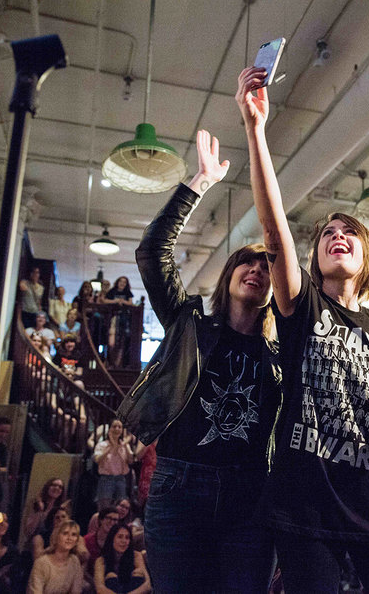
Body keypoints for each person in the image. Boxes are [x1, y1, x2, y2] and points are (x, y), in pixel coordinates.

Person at [238, 66, 369, 592]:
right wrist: (256, 131)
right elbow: (273, 231)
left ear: (367, 256)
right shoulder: (305, 306)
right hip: (306, 502)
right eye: (328, 233)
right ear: (316, 258)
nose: (336, 235)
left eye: (349, 232)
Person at [118, 128, 282, 592]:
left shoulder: (280, 353)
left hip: (250, 496)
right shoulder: (188, 325)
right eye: (247, 263)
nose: (257, 270)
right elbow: (152, 253)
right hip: (179, 489)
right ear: (228, 276)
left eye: (267, 266)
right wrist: (200, 183)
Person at [27, 520, 85, 594]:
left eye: (73, 535)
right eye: (65, 533)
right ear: (56, 536)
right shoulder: (41, 563)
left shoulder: (74, 561)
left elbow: (76, 591)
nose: (69, 538)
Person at [94, 524, 151, 594]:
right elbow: (100, 588)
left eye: (127, 538)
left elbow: (147, 585)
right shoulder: (101, 560)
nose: (124, 541)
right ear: (112, 539)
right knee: (111, 576)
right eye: (120, 537)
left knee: (138, 572)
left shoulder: (136, 555)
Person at [93, 419, 133, 504]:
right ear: (109, 429)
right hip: (106, 479)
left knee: (121, 505)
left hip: (121, 479)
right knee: (105, 505)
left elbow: (130, 461)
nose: (117, 429)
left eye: (119, 427)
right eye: (114, 426)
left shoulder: (124, 445)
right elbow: (97, 459)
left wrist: (125, 445)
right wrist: (112, 445)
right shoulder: (102, 445)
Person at [85, 506, 120, 571]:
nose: (112, 522)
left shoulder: (118, 542)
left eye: (115, 520)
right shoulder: (87, 540)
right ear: (101, 520)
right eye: (109, 518)